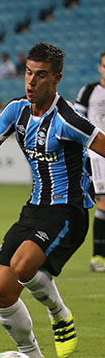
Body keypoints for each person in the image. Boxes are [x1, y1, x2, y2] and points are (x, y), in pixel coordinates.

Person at [0, 42, 105, 358]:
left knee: (23, 265)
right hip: (33, 210)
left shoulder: (68, 120)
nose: (31, 82)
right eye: (29, 73)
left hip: (68, 212)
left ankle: (60, 314)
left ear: (56, 79)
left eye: (41, 75)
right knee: (1, 294)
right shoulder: (16, 112)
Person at [74, 50, 105, 272]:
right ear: (99, 67)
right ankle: (98, 257)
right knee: (104, 204)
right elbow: (77, 121)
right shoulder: (90, 91)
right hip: (98, 156)